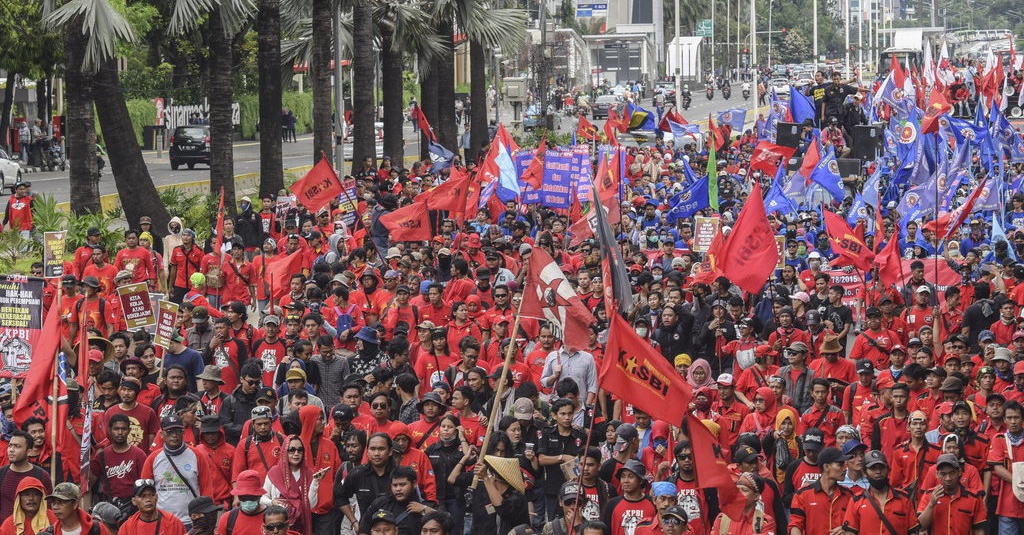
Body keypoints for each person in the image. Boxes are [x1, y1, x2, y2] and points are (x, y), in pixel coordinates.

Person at [140, 416, 230, 527]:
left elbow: (206, 488)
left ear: (183, 433)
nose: (174, 435)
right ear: (161, 434)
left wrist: (205, 516)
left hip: (191, 521)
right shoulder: (153, 458)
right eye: (169, 432)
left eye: (178, 431)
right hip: (162, 521)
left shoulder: (197, 455)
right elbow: (144, 492)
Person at [261, 435, 327, 534]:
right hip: (278, 526)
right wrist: (272, 502)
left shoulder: (308, 473)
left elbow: (311, 505)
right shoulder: (274, 472)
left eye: (300, 450)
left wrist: (316, 481)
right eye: (292, 450)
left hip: (302, 523)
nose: (296, 454)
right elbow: (262, 498)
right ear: (284, 451)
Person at [841, 450, 918, 534]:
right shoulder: (856, 501)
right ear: (865, 472)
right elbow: (850, 532)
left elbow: (913, 531)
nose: (878, 472)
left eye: (881, 468)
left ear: (887, 469)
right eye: (873, 468)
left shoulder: (904, 499)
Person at [916, 453, 986, 535]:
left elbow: (979, 529)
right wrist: (931, 505)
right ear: (937, 475)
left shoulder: (973, 498)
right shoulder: (929, 495)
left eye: (952, 473)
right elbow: (921, 527)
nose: (948, 478)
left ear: (959, 472)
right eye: (943, 474)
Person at [0, 431, 53, 522]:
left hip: (33, 527)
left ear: (28, 451)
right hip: (5, 527)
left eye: (17, 446)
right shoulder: (2, 473)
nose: (11, 450)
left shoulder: (41, 475)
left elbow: (48, 507)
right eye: (10, 446)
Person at [710, 473, 775, 535]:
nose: (739, 494)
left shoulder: (765, 521)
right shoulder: (721, 519)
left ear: (756, 496)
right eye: (737, 490)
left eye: (744, 490)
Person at [118, 479, 187, 535]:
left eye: (151, 495)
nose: (148, 499)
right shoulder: (127, 528)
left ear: (156, 497)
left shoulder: (174, 523)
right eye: (143, 496)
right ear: (134, 501)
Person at [44, 483, 111, 535]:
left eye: (61, 502)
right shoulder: (48, 533)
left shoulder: (96, 529)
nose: (55, 507)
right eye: (53, 503)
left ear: (75, 504)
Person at [216, 470, 268, 535]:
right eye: (243, 497)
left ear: (260, 495)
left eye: (252, 497)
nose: (248, 501)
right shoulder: (227, 519)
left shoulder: (272, 517)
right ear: (238, 496)